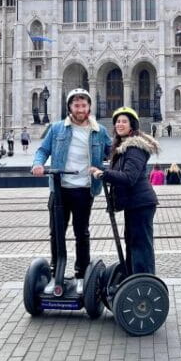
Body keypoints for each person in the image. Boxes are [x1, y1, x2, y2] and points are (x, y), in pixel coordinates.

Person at [32, 88, 112, 295]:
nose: (80, 109)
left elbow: (113, 152)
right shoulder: (58, 128)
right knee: (56, 233)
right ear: (70, 107)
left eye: (84, 105)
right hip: (59, 189)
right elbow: (42, 150)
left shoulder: (99, 131)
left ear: (89, 107)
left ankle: (81, 275)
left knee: (81, 233)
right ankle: (55, 275)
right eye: (76, 105)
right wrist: (38, 164)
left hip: (84, 189)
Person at [90, 107, 159, 276]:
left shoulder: (135, 147)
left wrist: (103, 174)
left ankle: (143, 283)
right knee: (132, 242)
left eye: (124, 121)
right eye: (117, 121)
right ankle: (133, 279)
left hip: (141, 203)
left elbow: (129, 177)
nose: (120, 124)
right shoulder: (122, 147)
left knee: (140, 245)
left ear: (132, 125)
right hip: (134, 203)